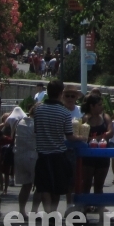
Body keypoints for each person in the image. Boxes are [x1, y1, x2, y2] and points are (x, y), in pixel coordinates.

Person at [34, 79, 75, 213]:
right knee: (57, 188)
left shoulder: (38, 110)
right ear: (61, 93)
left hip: (42, 154)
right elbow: (69, 135)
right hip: (58, 154)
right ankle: (52, 213)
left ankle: (48, 212)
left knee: (44, 187)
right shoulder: (64, 113)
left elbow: (36, 131)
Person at [79, 94, 112, 197]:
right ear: (92, 106)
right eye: (99, 105)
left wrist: (97, 138)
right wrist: (96, 138)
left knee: (99, 185)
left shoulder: (105, 117)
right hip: (88, 156)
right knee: (86, 184)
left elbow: (110, 132)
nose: (102, 107)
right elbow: (81, 135)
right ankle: (85, 207)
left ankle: (99, 207)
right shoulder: (85, 119)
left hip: (103, 155)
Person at [13, 106, 40, 217]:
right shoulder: (37, 125)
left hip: (19, 156)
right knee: (39, 186)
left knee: (25, 186)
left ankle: (22, 210)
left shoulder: (20, 122)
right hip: (33, 156)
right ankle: (34, 211)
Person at [0, 122, 14, 194]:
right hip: (1, 158)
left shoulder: (9, 140)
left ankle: (5, 189)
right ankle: (1, 186)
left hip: (8, 158)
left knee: (6, 174)